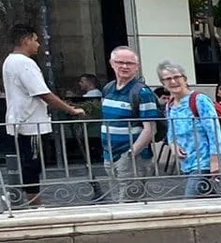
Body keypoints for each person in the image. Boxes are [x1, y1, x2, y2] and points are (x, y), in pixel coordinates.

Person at [3, 23, 82, 207]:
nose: (38, 45)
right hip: (30, 123)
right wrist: (70, 109)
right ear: (25, 40)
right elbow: (42, 93)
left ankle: (22, 201)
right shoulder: (24, 63)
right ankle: (34, 205)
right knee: (32, 164)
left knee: (27, 163)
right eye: (35, 40)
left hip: (19, 120)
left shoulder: (9, 61)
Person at [99, 46, 161, 202]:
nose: (124, 66)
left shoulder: (142, 92)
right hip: (110, 156)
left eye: (129, 63)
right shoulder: (108, 89)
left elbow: (150, 129)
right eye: (120, 62)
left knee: (129, 203)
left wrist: (130, 154)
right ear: (111, 63)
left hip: (132, 158)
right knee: (117, 200)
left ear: (137, 67)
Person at [158, 61, 221, 197]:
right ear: (163, 83)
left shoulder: (199, 100)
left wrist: (215, 160)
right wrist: (173, 144)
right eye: (168, 79)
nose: (173, 81)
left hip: (203, 164)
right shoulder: (170, 104)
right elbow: (171, 131)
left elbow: (213, 131)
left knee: (190, 202)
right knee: (209, 205)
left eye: (177, 77)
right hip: (187, 164)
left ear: (185, 79)